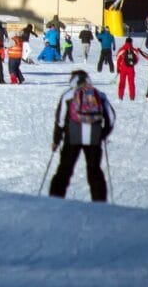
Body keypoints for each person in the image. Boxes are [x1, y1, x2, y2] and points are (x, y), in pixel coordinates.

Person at [49, 70, 116, 202]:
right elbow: (111, 118)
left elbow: (60, 120)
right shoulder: (99, 95)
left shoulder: (68, 95)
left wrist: (56, 140)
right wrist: (102, 134)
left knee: (65, 169)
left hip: (72, 136)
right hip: (94, 137)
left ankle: (54, 200)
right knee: (94, 170)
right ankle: (99, 202)